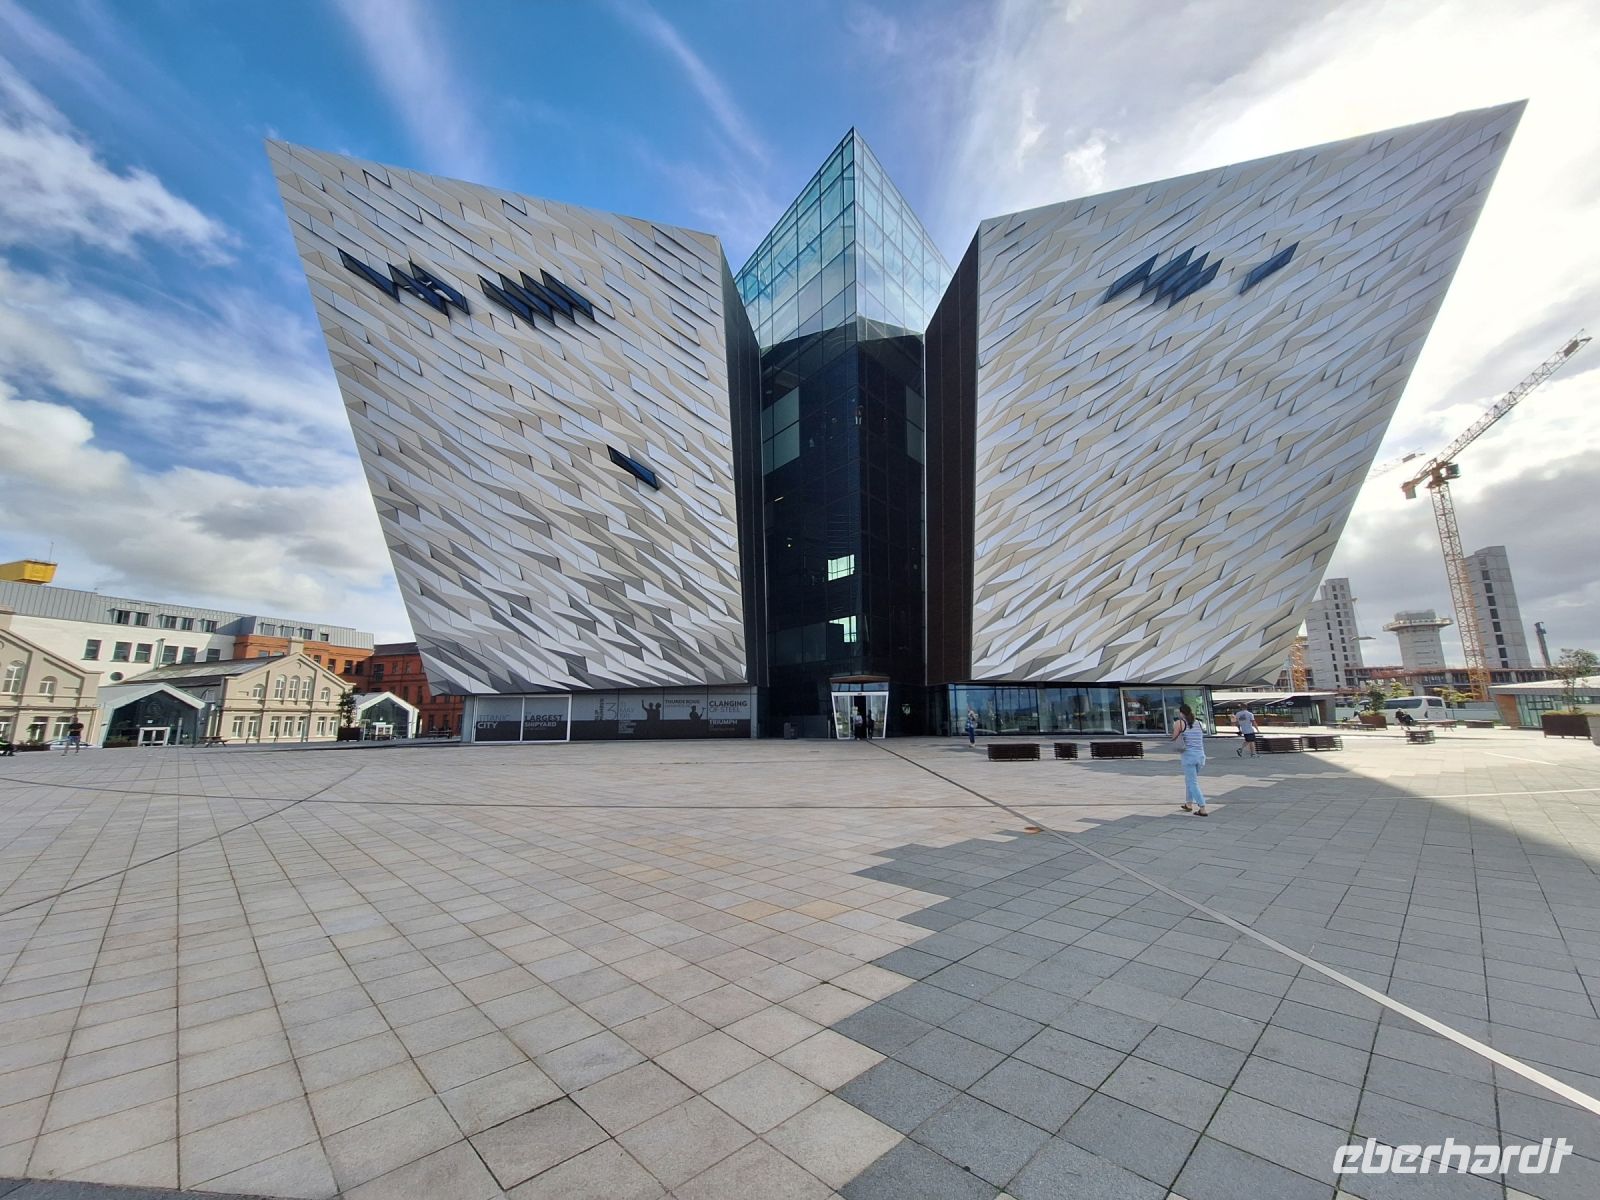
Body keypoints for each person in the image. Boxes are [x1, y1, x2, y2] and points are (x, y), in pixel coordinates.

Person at [1171, 703, 1208, 816]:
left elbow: (1174, 737)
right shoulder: (1199, 723)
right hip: (1200, 756)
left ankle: (1202, 807)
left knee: (1192, 782)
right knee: (1190, 780)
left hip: (1189, 756)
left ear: (1181, 712)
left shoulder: (1180, 722)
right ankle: (1188, 803)